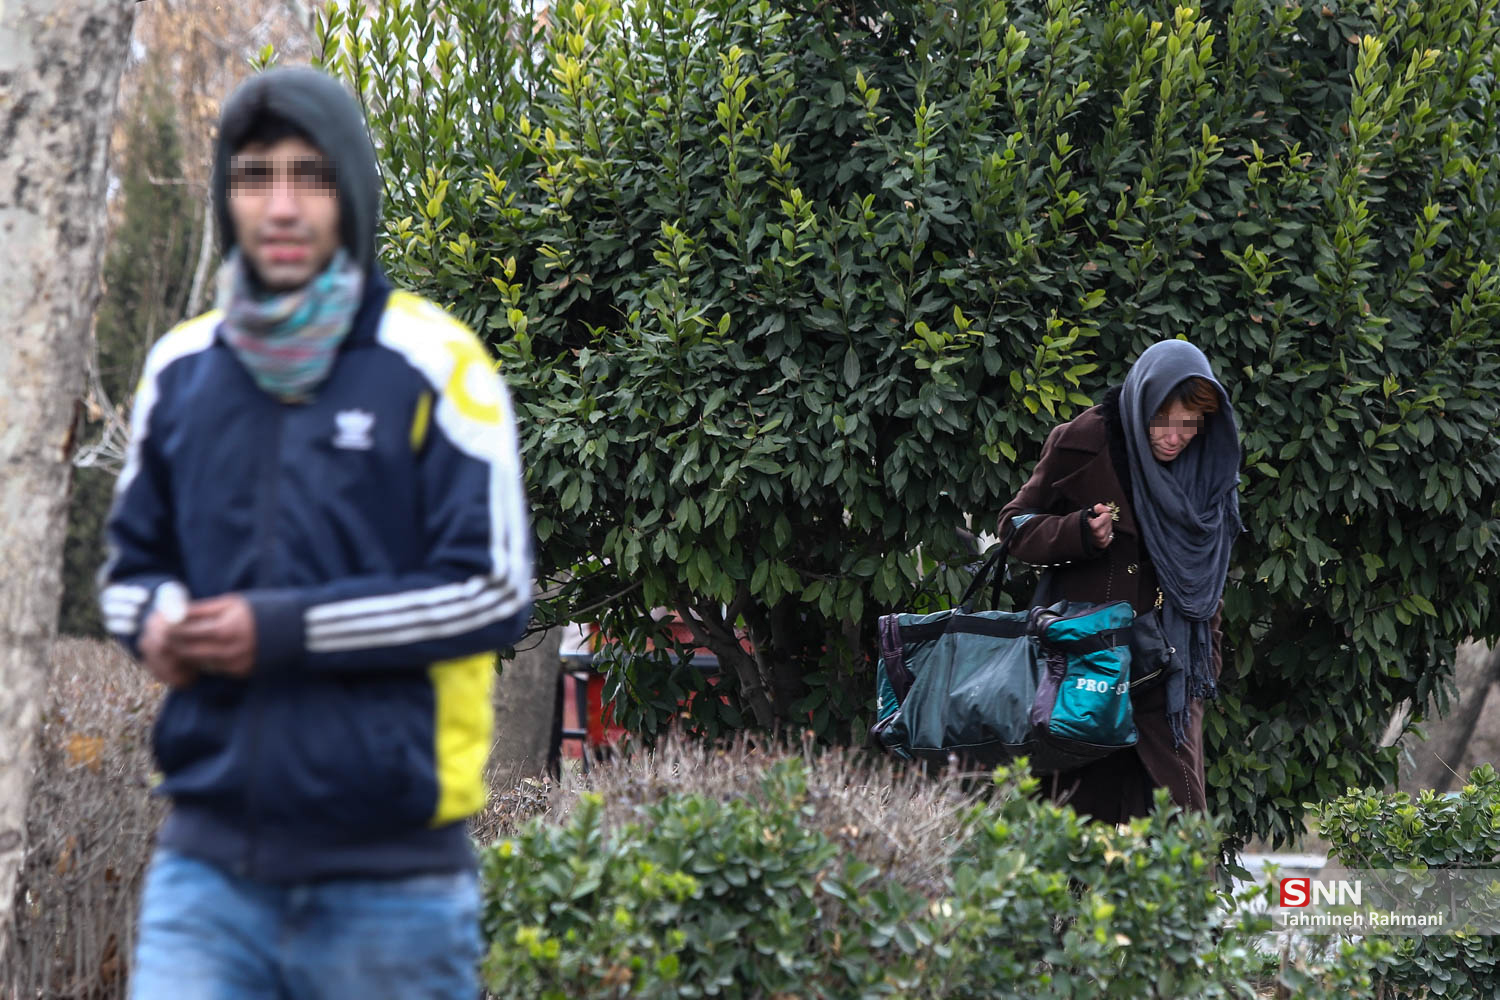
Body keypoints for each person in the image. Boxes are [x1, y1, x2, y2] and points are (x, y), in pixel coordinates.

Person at [97, 66, 532, 999]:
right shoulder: (180, 371)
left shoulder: (437, 362)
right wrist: (160, 622)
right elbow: (130, 572)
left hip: (394, 887)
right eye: (255, 177)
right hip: (206, 873)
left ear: (352, 190)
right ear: (227, 195)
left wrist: (281, 631)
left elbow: (494, 592)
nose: (282, 206)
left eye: (310, 175)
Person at [997, 339, 1241, 823]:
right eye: (1165, 421)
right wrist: (1077, 532)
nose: (1175, 438)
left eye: (1189, 426)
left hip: (1170, 670)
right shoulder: (1084, 439)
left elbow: (1206, 574)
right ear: (1144, 401)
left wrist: (1205, 662)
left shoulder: (1207, 468)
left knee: (1180, 827)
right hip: (1089, 664)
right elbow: (1014, 526)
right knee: (1078, 825)